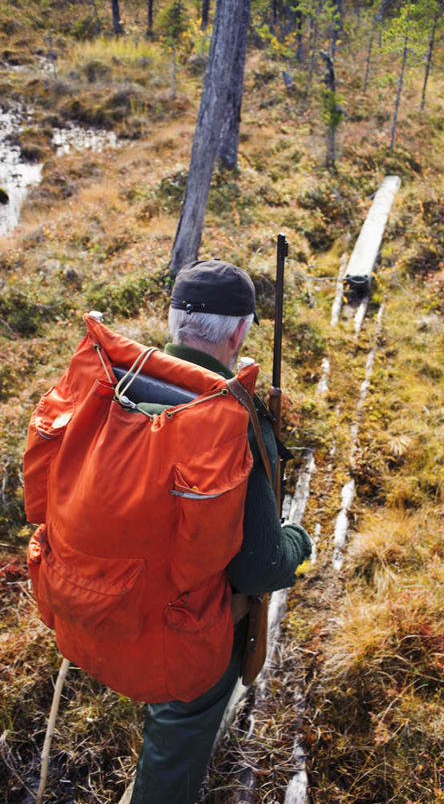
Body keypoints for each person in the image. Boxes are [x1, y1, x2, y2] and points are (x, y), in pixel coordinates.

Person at [129, 259, 312, 804]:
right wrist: (298, 538)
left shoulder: (124, 385)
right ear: (239, 333)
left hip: (108, 600)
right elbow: (259, 566)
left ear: (173, 322)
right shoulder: (229, 422)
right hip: (184, 629)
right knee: (178, 732)